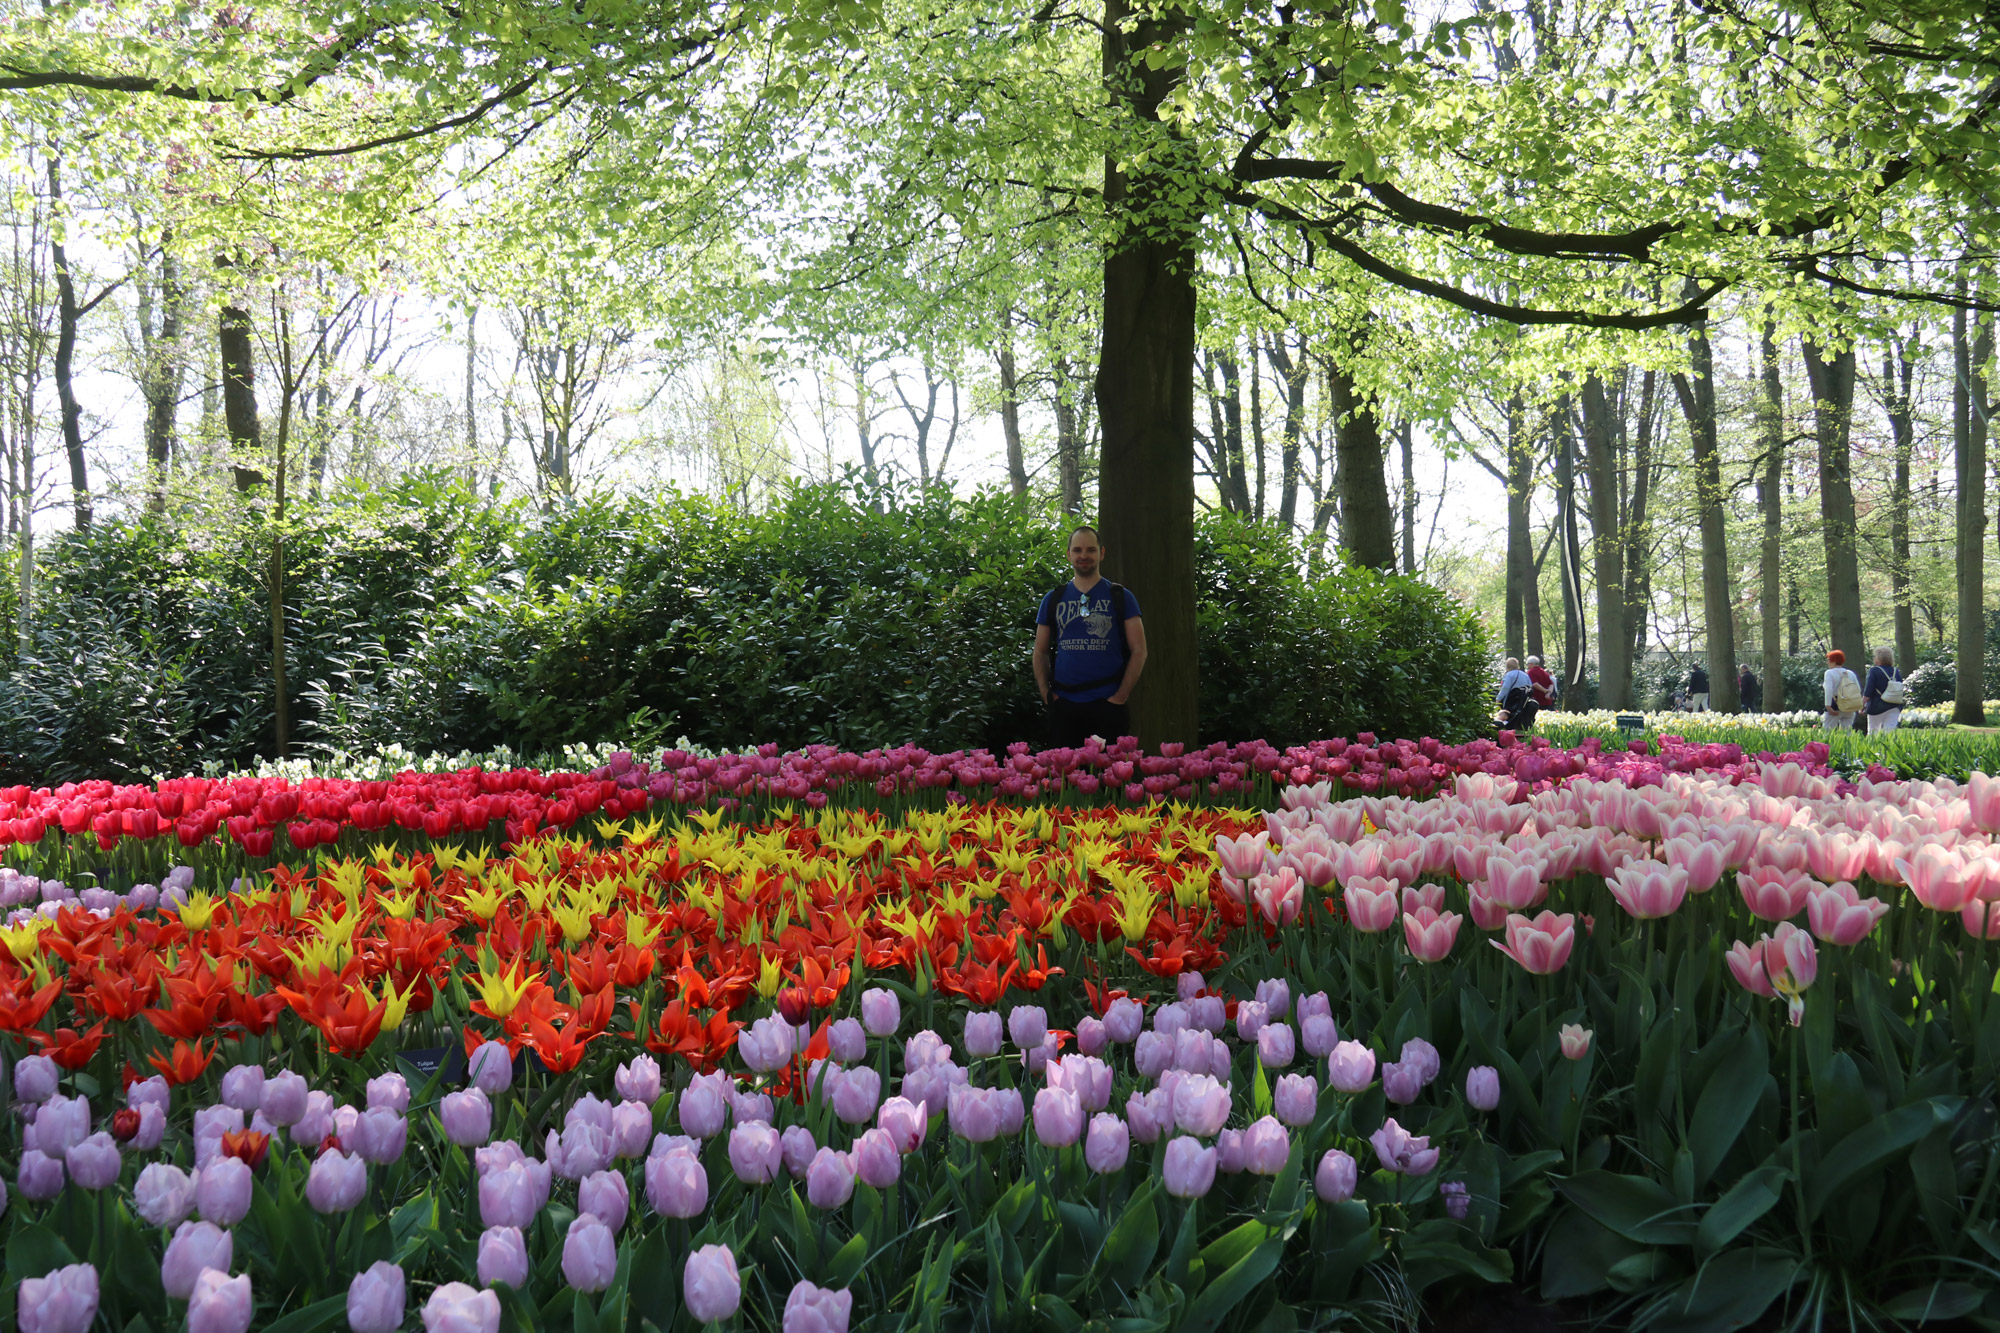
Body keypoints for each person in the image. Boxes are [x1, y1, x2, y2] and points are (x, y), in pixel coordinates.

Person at [1033, 526, 1147, 747]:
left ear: (1101, 553)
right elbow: (1040, 651)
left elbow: (1139, 650)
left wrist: (1120, 697)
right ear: (1068, 555)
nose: (1083, 556)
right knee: (1065, 780)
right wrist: (1047, 694)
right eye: (1077, 550)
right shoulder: (1053, 599)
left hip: (1108, 707)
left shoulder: (1121, 597)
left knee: (1111, 780)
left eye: (1090, 550)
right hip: (1065, 707)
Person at [1863, 645, 1904, 734]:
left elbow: (1868, 691)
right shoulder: (1896, 671)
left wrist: (1862, 704)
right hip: (1894, 705)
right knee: (1889, 732)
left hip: (1877, 706)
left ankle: (1873, 748)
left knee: (1873, 732)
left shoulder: (1874, 671)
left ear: (1878, 658)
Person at [1822, 649, 1862, 730]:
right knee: (1847, 732)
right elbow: (1858, 690)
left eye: (1829, 660)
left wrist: (1828, 706)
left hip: (1835, 705)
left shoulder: (1829, 673)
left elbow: (1829, 690)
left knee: (1827, 731)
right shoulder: (1850, 673)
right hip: (1850, 706)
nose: (1827, 662)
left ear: (1834, 661)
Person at [1495, 657, 1536, 729]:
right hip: (1522, 703)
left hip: (1510, 702)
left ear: (1507, 666)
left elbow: (1505, 689)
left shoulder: (1509, 675)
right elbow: (1530, 688)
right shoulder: (1525, 675)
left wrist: (1498, 699)